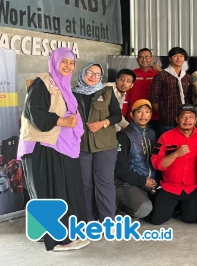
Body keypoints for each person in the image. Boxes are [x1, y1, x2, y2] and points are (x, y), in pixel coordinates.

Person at [18, 48, 89, 251]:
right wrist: (63, 121)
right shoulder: (42, 83)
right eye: (63, 62)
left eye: (71, 63)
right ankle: (58, 240)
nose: (68, 66)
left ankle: (49, 233)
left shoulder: (64, 86)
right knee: (51, 191)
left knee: (60, 191)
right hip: (43, 146)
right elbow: (35, 114)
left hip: (61, 146)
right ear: (54, 62)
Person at [73, 62, 122, 222]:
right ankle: (88, 221)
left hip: (105, 146)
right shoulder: (72, 93)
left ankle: (108, 220)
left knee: (105, 183)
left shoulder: (107, 91)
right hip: (80, 146)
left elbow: (117, 115)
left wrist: (103, 123)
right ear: (82, 73)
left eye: (97, 74)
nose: (93, 77)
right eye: (90, 73)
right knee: (84, 185)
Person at [150, 104, 197, 225]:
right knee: (157, 220)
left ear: (195, 120)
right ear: (177, 119)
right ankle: (174, 206)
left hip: (192, 187)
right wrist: (175, 154)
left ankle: (179, 207)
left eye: (191, 117)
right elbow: (156, 163)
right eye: (183, 117)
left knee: (191, 219)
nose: (187, 120)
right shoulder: (165, 137)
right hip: (170, 186)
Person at [115, 99, 157, 219]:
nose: (143, 115)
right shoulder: (123, 135)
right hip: (126, 183)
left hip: (147, 181)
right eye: (139, 112)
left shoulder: (151, 133)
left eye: (147, 112)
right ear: (132, 115)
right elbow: (120, 168)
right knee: (144, 209)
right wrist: (143, 181)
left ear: (151, 115)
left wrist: (152, 182)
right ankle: (117, 206)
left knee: (162, 207)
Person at [149, 47, 193, 136]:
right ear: (170, 58)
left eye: (181, 56)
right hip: (167, 119)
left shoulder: (187, 77)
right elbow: (154, 97)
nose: (178, 58)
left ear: (184, 59)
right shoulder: (161, 75)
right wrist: (162, 111)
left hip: (184, 120)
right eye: (175, 56)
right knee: (168, 146)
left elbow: (189, 97)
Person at [127, 48, 161, 131]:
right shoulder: (131, 74)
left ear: (152, 58)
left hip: (154, 116)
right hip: (135, 115)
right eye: (141, 57)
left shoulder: (158, 74)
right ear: (137, 59)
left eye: (147, 57)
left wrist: (160, 71)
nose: (144, 59)